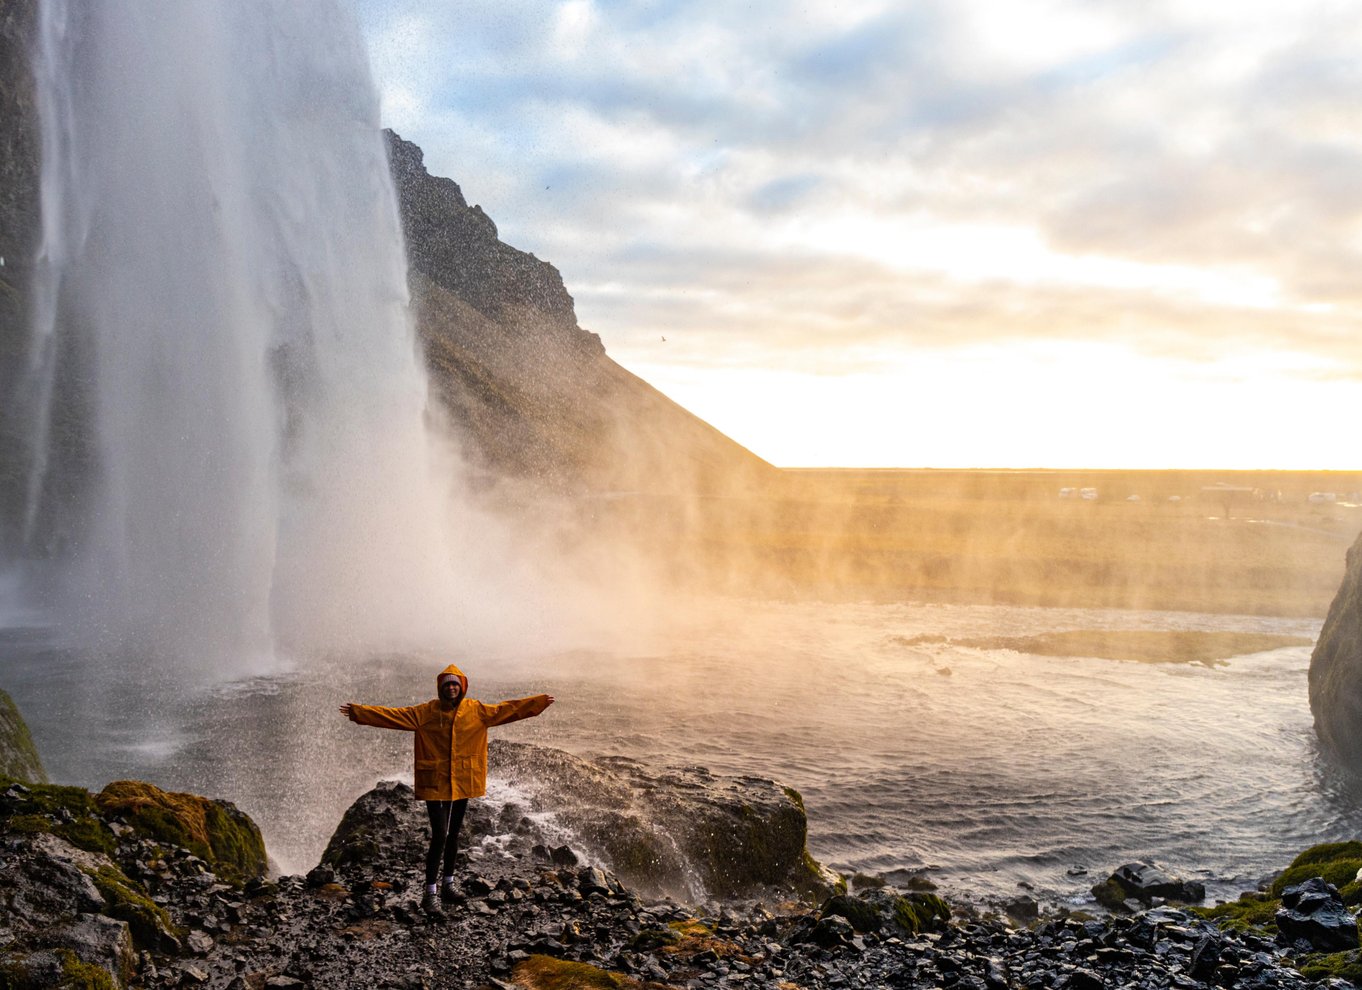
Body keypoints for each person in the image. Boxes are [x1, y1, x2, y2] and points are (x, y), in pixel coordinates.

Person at [339, 663, 554, 916]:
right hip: (436, 781)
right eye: (447, 684)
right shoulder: (426, 712)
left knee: (454, 835)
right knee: (440, 835)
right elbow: (392, 716)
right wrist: (359, 712)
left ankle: (448, 885)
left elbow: (508, 710)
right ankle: (429, 894)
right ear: (441, 688)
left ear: (462, 687)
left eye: (455, 684)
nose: (451, 688)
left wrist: (537, 703)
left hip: (463, 779)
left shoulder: (476, 710)